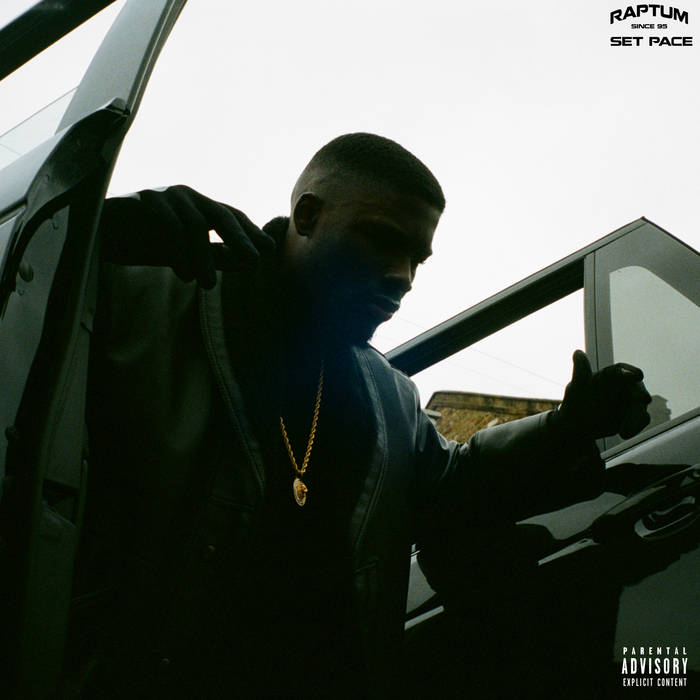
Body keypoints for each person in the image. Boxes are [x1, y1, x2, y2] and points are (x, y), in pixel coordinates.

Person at [63, 133, 651, 699]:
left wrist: (567, 428)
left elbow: (454, 486)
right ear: (309, 216)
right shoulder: (148, 295)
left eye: (417, 259)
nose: (403, 277)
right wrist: (82, 244)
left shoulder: (389, 396)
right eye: (382, 240)